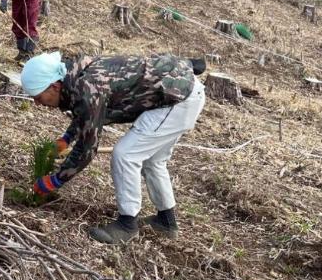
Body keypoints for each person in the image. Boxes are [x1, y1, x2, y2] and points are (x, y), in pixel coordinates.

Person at [20, 51, 206, 245]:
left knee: (125, 155)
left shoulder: (86, 87)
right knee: (153, 162)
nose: (37, 103)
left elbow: (87, 147)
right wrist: (67, 138)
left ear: (54, 86)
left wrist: (56, 180)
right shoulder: (75, 76)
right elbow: (87, 113)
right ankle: (166, 222)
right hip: (178, 89)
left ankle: (127, 225)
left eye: (38, 97)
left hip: (178, 99)